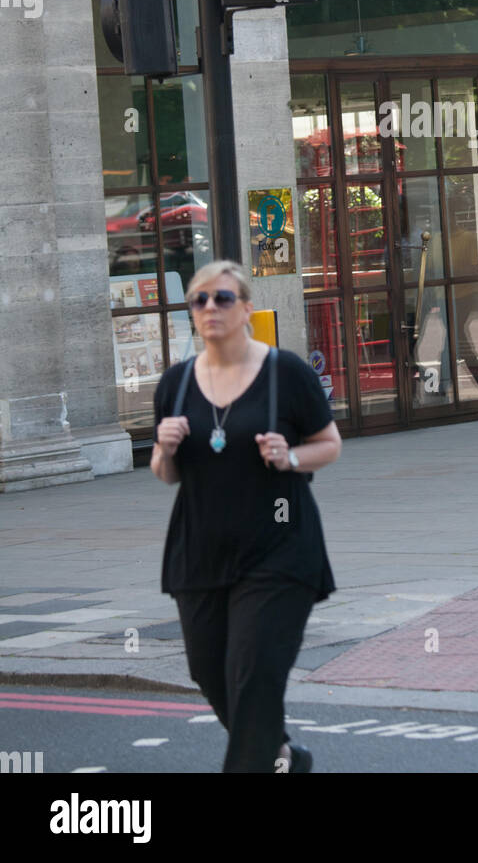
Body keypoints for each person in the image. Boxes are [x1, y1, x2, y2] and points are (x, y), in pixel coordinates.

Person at [151, 260, 341, 773]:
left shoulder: (286, 373)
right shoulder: (177, 382)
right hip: (200, 552)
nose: (210, 308)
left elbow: (330, 444)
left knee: (253, 675)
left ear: (247, 309)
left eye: (223, 298)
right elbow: (165, 473)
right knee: (210, 672)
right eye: (200, 300)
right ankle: (281, 756)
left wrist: (291, 457)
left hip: (279, 549)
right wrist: (164, 450)